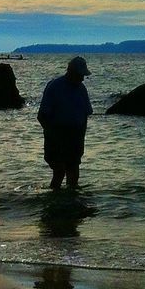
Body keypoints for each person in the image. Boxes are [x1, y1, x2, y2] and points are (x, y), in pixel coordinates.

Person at [37, 56, 93, 189]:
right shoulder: (54, 87)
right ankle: (54, 202)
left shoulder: (81, 89)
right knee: (59, 171)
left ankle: (72, 203)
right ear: (71, 72)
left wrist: (81, 139)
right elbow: (42, 116)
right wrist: (53, 137)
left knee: (74, 174)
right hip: (56, 136)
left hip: (75, 137)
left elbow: (85, 115)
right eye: (80, 75)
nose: (82, 78)